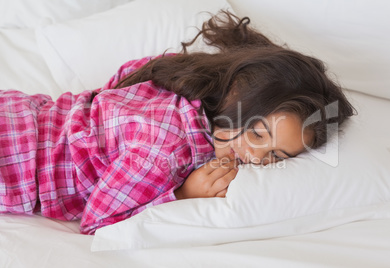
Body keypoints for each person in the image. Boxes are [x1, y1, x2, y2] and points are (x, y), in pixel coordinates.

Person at [0, 11, 355, 235]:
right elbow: (98, 221)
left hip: (22, 112)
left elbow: (117, 82)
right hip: (17, 163)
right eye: (257, 132)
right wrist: (183, 194)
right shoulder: (167, 148)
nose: (254, 154)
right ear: (236, 98)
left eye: (276, 154)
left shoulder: (183, 74)